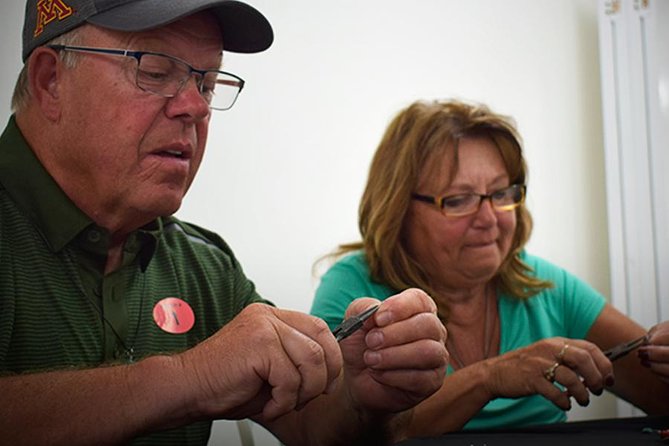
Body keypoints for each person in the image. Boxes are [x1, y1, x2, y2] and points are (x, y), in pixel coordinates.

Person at [0, 2, 449, 445]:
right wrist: (190, 376)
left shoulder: (206, 268)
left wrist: (363, 397)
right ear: (51, 81)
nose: (195, 107)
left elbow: (314, 428)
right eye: (155, 71)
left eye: (208, 83)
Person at [311, 99, 669, 435]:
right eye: (458, 199)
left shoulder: (543, 285)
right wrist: (491, 377)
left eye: (501, 194)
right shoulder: (352, 289)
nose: (489, 218)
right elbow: (334, 435)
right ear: (398, 210)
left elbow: (657, 392)